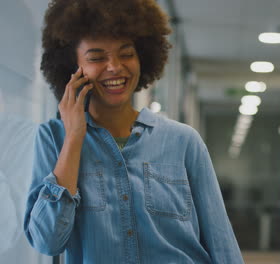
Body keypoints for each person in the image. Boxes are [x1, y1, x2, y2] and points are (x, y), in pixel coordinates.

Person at [23, 0, 244, 263]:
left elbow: (221, 242)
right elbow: (47, 241)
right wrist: (74, 137)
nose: (115, 67)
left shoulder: (184, 141)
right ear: (72, 68)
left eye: (126, 54)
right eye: (96, 57)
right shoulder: (53, 138)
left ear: (143, 57)